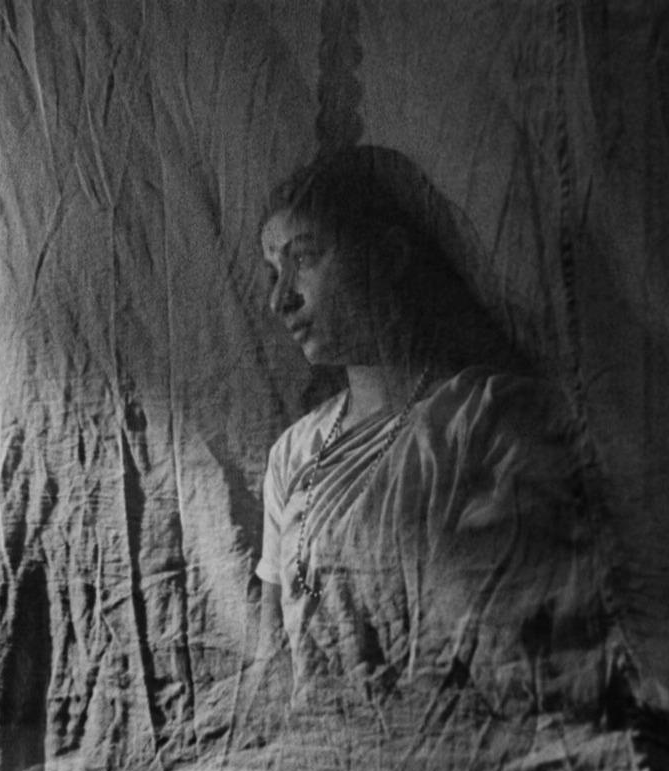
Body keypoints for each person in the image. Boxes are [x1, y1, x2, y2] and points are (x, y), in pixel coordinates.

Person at [255, 146, 611, 731]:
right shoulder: (293, 454)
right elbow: (275, 659)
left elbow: (542, 651)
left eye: (305, 260)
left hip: (472, 738)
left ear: (390, 255)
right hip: (320, 749)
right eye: (274, 271)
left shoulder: (491, 417)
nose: (281, 298)